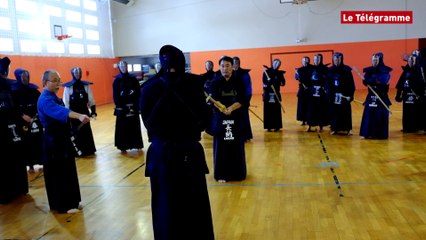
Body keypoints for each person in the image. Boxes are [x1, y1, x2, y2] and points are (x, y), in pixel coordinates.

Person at [140, 45, 214, 240]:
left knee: (165, 205)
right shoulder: (194, 84)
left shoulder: (148, 87)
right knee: (193, 204)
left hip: (161, 153)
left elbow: (148, 123)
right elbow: (206, 120)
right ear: (181, 61)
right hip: (188, 151)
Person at [37, 70, 90, 213]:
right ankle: (63, 205)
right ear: (45, 82)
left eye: (58, 80)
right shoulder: (45, 100)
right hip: (53, 141)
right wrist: (79, 116)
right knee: (59, 172)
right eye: (54, 80)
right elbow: (62, 112)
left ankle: (72, 201)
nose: (57, 84)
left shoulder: (53, 97)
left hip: (61, 138)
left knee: (67, 170)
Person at [210, 55, 247, 182]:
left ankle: (238, 174)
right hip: (220, 118)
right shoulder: (215, 83)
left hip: (236, 117)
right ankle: (221, 174)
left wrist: (230, 108)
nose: (224, 68)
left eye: (227, 65)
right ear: (219, 67)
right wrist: (222, 108)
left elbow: (242, 100)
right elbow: (214, 100)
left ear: (233, 67)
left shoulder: (240, 82)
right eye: (222, 66)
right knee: (221, 147)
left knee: (236, 145)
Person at [0, 57, 28, 204]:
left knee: (11, 160)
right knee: (11, 160)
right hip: (9, 133)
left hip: (11, 132)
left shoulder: (9, 88)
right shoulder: (9, 88)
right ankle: (14, 190)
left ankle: (13, 191)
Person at [11, 68, 43, 173]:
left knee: (38, 140)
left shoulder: (33, 90)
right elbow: (13, 107)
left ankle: (42, 161)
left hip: (35, 120)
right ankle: (30, 165)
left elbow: (41, 102)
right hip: (22, 122)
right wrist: (21, 115)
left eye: (27, 76)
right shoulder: (14, 91)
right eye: (23, 76)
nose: (26, 78)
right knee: (26, 143)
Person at [63, 67, 97, 156]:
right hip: (74, 115)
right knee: (76, 132)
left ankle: (89, 150)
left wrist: (93, 111)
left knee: (86, 132)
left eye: (79, 73)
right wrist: (67, 115)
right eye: (76, 73)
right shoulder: (68, 87)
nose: (77, 74)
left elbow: (91, 100)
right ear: (73, 74)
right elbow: (66, 103)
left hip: (85, 113)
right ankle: (78, 152)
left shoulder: (86, 86)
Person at [359, 53, 393, 139]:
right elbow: (365, 81)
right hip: (371, 95)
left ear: (380, 60)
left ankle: (379, 134)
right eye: (373, 60)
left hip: (381, 96)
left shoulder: (385, 71)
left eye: (376, 60)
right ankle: (367, 133)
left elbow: (382, 81)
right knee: (368, 115)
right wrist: (366, 81)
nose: (374, 62)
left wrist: (370, 80)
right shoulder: (369, 70)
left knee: (379, 115)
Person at [113, 60, 144, 152]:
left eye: (125, 66)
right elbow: (115, 94)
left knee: (134, 125)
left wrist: (138, 105)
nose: (123, 68)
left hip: (133, 105)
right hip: (122, 107)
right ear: (119, 68)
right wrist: (119, 105)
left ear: (127, 67)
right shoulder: (117, 81)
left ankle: (137, 144)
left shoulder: (133, 79)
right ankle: (123, 146)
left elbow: (138, 92)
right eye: (121, 67)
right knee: (122, 126)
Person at [326, 52, 355, 135]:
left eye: (338, 59)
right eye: (335, 59)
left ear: (341, 59)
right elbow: (328, 83)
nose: (336, 61)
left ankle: (348, 129)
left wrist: (350, 95)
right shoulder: (330, 70)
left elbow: (351, 84)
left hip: (344, 95)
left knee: (345, 112)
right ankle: (335, 128)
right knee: (334, 112)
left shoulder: (347, 70)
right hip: (334, 95)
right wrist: (328, 93)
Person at [395, 54, 425, 133]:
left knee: (416, 112)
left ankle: (416, 127)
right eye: (409, 61)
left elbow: (422, 84)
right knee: (406, 112)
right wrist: (398, 95)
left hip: (416, 96)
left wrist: (413, 82)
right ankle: (407, 127)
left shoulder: (419, 70)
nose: (411, 63)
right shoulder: (406, 71)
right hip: (406, 95)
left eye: (412, 61)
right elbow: (400, 83)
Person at [305, 53, 329, 132]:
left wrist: (324, 84)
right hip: (312, 92)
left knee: (320, 109)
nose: (316, 61)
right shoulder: (311, 69)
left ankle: (320, 126)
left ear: (321, 60)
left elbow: (327, 80)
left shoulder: (325, 69)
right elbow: (307, 80)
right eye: (315, 59)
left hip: (321, 93)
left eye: (318, 59)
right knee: (310, 109)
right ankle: (309, 125)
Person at [233, 56, 253, 141]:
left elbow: (248, 88)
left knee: (244, 118)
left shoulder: (244, 74)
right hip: (232, 101)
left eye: (236, 62)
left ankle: (245, 136)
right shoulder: (229, 73)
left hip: (243, 100)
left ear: (239, 63)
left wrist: (247, 100)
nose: (235, 64)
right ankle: (236, 135)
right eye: (233, 63)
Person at [262, 59, 286, 132]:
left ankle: (277, 126)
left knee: (276, 110)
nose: (276, 65)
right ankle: (268, 126)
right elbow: (264, 82)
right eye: (275, 63)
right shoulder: (266, 72)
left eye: (278, 64)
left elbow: (283, 83)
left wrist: (276, 81)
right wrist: (268, 83)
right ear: (272, 63)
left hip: (276, 93)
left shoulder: (280, 73)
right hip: (268, 93)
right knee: (268, 110)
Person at [295, 56, 312, 126]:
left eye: (306, 61)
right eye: (303, 61)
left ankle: (309, 120)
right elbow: (296, 77)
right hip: (302, 90)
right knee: (302, 105)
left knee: (309, 105)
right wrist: (298, 76)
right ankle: (303, 120)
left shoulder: (311, 69)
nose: (305, 62)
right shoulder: (299, 70)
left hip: (309, 89)